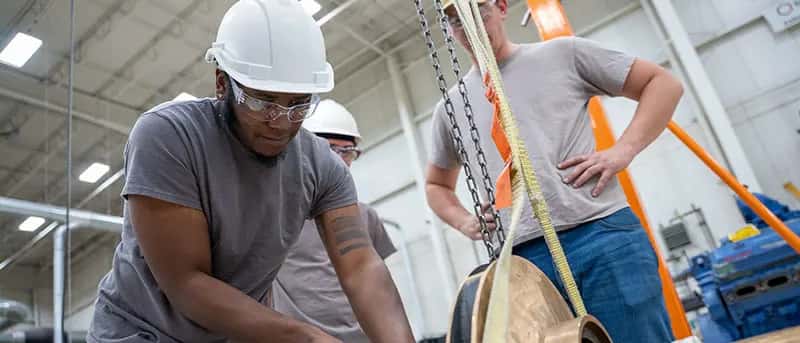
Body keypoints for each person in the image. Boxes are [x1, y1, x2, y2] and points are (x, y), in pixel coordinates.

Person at [87, 1, 414, 342]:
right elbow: (187, 283)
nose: (280, 122)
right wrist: (308, 337)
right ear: (222, 83)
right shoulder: (168, 137)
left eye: (298, 105)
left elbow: (361, 267)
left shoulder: (323, 167)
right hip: (141, 332)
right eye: (262, 101)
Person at [425, 0, 684, 342]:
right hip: (522, 259)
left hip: (600, 235)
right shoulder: (451, 109)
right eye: (456, 20)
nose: (469, 25)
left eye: (479, 9)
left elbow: (662, 84)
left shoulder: (563, 55)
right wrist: (464, 221)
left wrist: (622, 150)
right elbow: (436, 185)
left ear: (501, 7)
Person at [271, 99, 398, 343]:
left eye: (347, 151)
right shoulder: (275, 215)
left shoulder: (365, 217)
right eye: (330, 149)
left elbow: (378, 286)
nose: (339, 161)